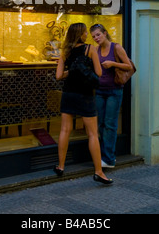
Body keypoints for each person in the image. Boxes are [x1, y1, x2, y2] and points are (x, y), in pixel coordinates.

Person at [55, 23, 113, 185]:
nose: (88, 34)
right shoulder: (90, 49)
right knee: (93, 134)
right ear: (80, 34)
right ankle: (99, 172)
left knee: (65, 130)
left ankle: (60, 166)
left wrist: (71, 72)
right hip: (85, 95)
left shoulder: (65, 52)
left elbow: (59, 75)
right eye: (85, 32)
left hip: (68, 94)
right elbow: (99, 73)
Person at [90, 24, 132, 168]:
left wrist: (113, 63)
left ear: (105, 33)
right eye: (94, 36)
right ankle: (104, 155)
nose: (96, 38)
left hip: (114, 91)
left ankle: (109, 159)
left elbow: (129, 66)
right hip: (100, 91)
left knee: (110, 124)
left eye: (98, 35)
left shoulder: (116, 48)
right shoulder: (95, 50)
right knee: (100, 123)